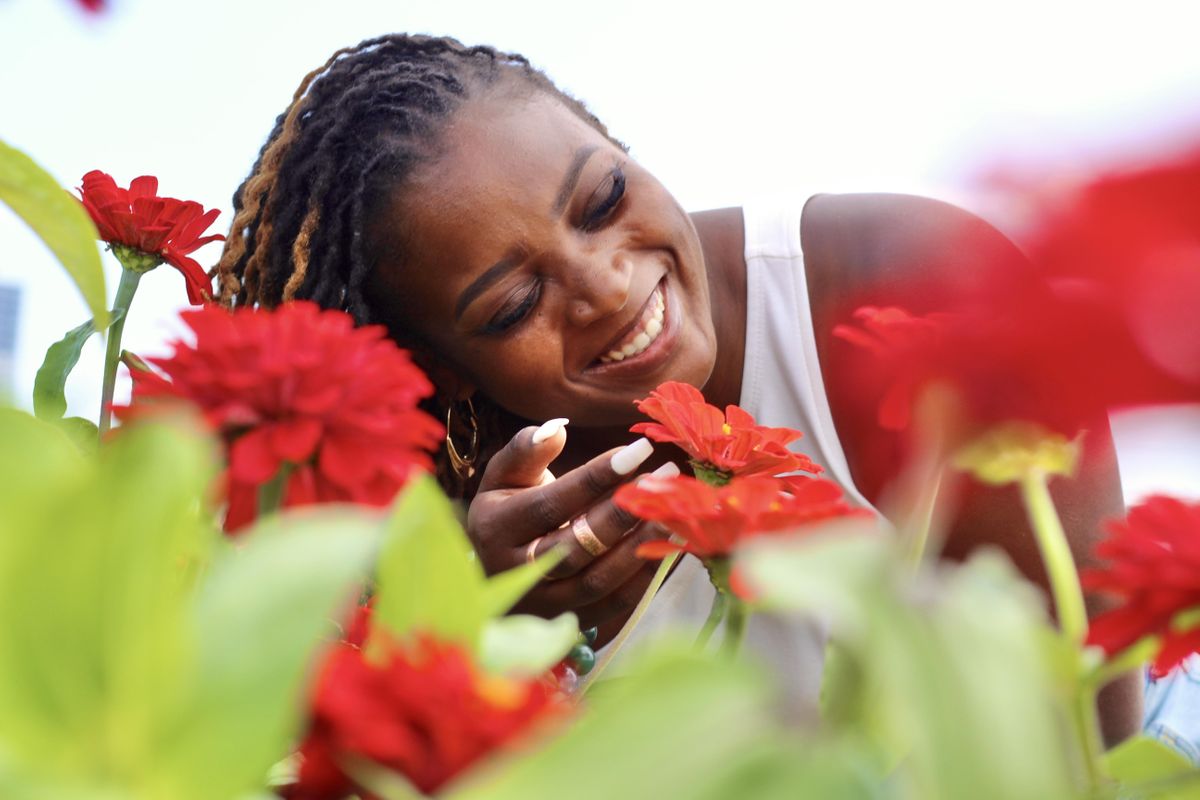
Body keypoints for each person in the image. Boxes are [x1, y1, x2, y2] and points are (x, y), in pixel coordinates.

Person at [213, 33, 1140, 742]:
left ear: (618, 143)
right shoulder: (437, 513)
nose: (608, 286)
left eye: (604, 200)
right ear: (448, 369)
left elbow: (1089, 731)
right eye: (514, 304)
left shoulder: (908, 286)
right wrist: (492, 639)